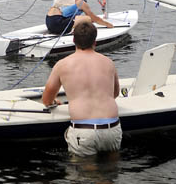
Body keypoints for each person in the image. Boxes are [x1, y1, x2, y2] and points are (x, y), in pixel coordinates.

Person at [42, 22, 122, 156]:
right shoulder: (108, 62)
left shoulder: (62, 65)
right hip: (112, 128)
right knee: (111, 172)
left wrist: (54, 102)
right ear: (95, 41)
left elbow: (46, 99)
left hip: (83, 130)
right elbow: (115, 94)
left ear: (73, 40)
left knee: (85, 175)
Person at [46, 0, 113, 35]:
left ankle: (67, 28)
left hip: (48, 21)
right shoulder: (80, 2)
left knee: (81, 18)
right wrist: (107, 24)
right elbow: (93, 18)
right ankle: (68, 30)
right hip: (57, 24)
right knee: (88, 19)